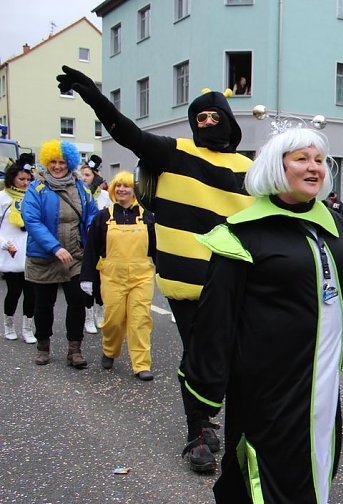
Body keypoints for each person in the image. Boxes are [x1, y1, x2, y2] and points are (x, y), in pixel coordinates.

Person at [182, 126, 343, 504]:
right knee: (295, 478)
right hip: (266, 382)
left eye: (320, 160)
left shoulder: (335, 224)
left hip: (321, 380)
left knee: (314, 461)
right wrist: (203, 390)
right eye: (301, 158)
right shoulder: (244, 233)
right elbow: (216, 316)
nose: (314, 167)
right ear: (276, 166)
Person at [57, 65, 255, 473]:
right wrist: (95, 97)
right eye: (200, 117)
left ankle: (233, 429)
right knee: (200, 357)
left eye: (215, 117)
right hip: (188, 284)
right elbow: (129, 133)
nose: (207, 123)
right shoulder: (173, 152)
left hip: (238, 284)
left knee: (240, 359)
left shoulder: (249, 168)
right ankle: (198, 431)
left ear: (231, 124)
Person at [21, 139, 98, 367]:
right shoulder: (37, 188)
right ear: (47, 162)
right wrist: (54, 247)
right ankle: (43, 346)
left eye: (62, 162)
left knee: (77, 301)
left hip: (75, 256)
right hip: (45, 257)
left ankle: (75, 350)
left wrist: (96, 231)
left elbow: (91, 215)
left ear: (69, 163)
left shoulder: (82, 188)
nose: (57, 166)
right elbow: (32, 220)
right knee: (44, 304)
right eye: (53, 162)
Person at [80, 171, 156, 381]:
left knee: (139, 320)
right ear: (113, 190)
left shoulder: (148, 217)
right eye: (118, 186)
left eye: (127, 186)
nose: (122, 190)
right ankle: (109, 350)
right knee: (113, 320)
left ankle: (141, 364)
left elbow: (158, 249)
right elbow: (92, 249)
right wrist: (87, 277)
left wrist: (168, 274)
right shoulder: (103, 216)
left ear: (135, 191)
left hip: (142, 277)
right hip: (112, 276)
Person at [1, 160, 36, 343]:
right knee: (14, 291)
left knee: (31, 292)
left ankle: (27, 329)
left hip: (30, 250)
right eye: (21, 179)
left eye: (28, 179)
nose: (25, 183)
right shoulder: (3, 198)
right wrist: (5, 244)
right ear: (12, 178)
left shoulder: (33, 197)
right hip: (11, 250)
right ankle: (8, 325)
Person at [79, 154, 111, 334]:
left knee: (101, 282)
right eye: (82, 175)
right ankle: (88, 316)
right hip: (85, 243)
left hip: (102, 244)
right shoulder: (80, 194)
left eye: (88, 175)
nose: (84, 178)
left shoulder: (106, 196)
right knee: (87, 280)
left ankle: (100, 313)